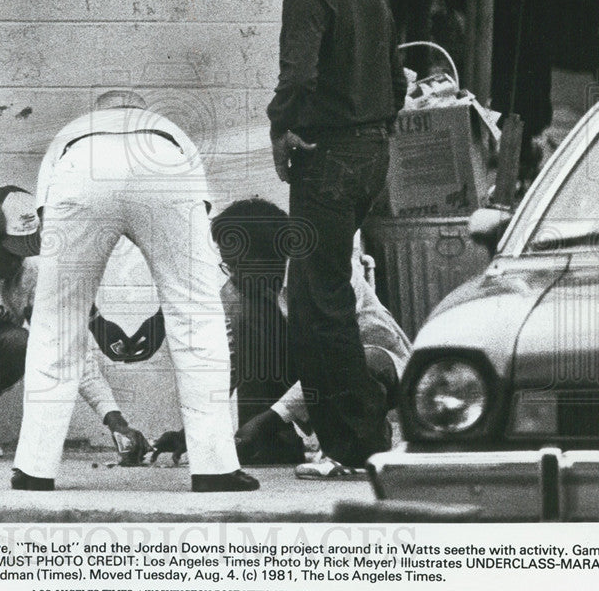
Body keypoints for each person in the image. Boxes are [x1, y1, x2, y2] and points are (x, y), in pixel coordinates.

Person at [11, 90, 258, 492]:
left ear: (101, 113)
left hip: (79, 168)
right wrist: (166, 316)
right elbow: (199, 225)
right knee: (196, 313)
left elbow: (45, 223)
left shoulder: (74, 131)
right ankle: (215, 467)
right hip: (166, 166)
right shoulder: (167, 129)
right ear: (139, 111)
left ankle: (34, 468)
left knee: (57, 319)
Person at [246, 0, 408, 469]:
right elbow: (398, 79)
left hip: (326, 160)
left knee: (321, 308)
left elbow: (298, 77)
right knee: (320, 299)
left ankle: (360, 441)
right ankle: (348, 440)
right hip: (370, 156)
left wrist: (279, 130)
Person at [151, 198, 412, 472]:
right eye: (228, 265)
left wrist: (270, 418)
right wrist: (194, 432)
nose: (235, 276)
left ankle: (360, 440)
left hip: (375, 365)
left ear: (274, 255)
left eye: (241, 265)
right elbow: (227, 362)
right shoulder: (240, 291)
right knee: (243, 314)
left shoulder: (324, 273)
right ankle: (273, 443)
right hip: (312, 367)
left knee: (356, 358)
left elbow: (334, 357)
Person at [0, 185, 157, 465]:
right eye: (10, 250)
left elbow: (66, 344)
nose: (18, 259)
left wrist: (116, 421)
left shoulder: (30, 271)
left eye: (24, 250)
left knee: (17, 343)